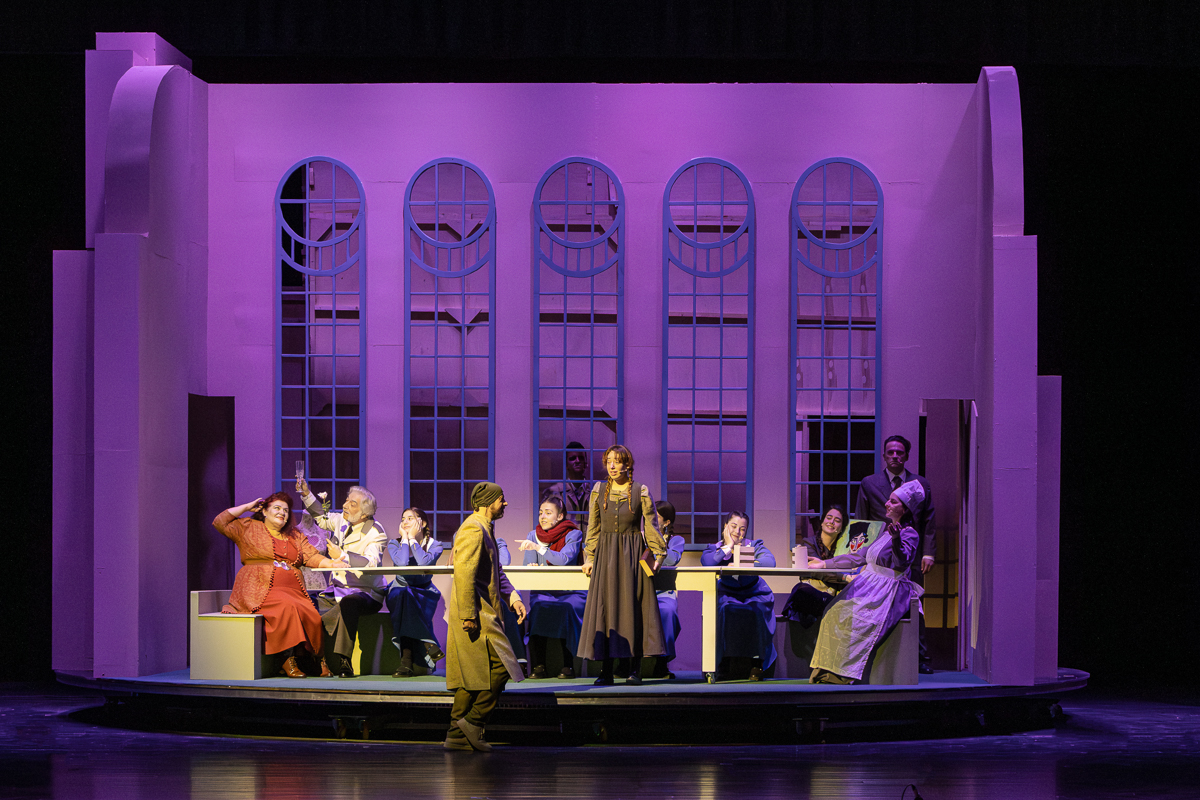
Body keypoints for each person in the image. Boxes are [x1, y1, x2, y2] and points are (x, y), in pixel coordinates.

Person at [212, 492, 350, 678]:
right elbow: (220, 522)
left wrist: (332, 564)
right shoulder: (249, 527)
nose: (282, 513)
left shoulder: (295, 535)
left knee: (312, 615)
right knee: (287, 608)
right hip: (259, 588)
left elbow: (312, 556)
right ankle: (286, 659)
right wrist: (246, 507)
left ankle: (312, 660)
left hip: (294, 590)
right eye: (277, 508)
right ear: (264, 511)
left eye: (285, 510)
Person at [809, 480, 926, 684]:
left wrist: (897, 539)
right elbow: (859, 556)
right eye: (888, 500)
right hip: (869, 584)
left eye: (893, 501)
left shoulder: (908, 533)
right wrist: (825, 564)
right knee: (833, 612)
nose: (887, 504)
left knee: (857, 621)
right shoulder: (885, 532)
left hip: (887, 589)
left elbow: (901, 563)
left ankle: (845, 675)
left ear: (905, 509)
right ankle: (827, 670)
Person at [445, 482, 528, 752]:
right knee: (503, 666)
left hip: (482, 611)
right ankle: (473, 722)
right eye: (501, 499)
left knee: (471, 676)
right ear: (487, 502)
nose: (505, 503)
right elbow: (464, 574)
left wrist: (513, 597)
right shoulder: (473, 528)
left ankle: (456, 735)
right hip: (475, 613)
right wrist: (468, 615)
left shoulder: (485, 528)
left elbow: (496, 571)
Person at [577, 445, 668, 686]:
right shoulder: (599, 490)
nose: (612, 466)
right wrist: (589, 557)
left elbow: (651, 527)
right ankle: (606, 670)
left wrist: (658, 556)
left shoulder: (640, 491)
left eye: (617, 461)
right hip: (606, 556)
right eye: (609, 461)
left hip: (632, 556)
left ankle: (634, 669)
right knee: (606, 610)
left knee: (633, 609)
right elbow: (593, 527)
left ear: (627, 464)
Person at [855, 435, 936, 672]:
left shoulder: (920, 483)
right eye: (890, 452)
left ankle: (920, 658)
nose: (895, 456)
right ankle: (874, 656)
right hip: (880, 553)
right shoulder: (870, 483)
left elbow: (929, 520)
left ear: (906, 455)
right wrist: (859, 556)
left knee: (913, 604)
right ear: (884, 455)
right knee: (874, 605)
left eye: (899, 452)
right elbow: (861, 520)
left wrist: (928, 553)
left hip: (909, 551)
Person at [298, 479, 388, 678]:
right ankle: (309, 659)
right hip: (337, 589)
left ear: (364, 514)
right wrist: (306, 494)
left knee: (349, 603)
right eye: (347, 500)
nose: (345, 505)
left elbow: (371, 564)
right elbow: (321, 517)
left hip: (366, 593)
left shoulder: (376, 532)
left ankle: (344, 661)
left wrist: (343, 556)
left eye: (352, 503)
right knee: (305, 602)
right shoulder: (342, 519)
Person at [700, 511, 777, 680]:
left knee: (757, 610)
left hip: (755, 592)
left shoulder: (753, 546)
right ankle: (722, 663)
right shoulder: (715, 547)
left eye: (742, 529)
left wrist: (745, 563)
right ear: (725, 526)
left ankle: (757, 663)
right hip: (727, 592)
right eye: (733, 526)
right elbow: (707, 562)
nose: (737, 532)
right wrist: (728, 547)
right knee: (724, 610)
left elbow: (770, 562)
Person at [519, 496, 586, 679]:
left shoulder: (573, 534)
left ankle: (568, 665)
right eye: (541, 513)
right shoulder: (533, 535)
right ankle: (539, 665)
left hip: (571, 592)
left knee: (566, 608)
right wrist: (532, 566)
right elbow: (528, 565)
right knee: (540, 608)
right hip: (544, 590)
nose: (543, 517)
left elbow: (563, 560)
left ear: (560, 516)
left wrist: (539, 549)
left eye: (548, 513)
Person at [386, 507, 445, 677]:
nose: (405, 522)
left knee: (408, 600)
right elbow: (402, 563)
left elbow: (424, 563)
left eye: (410, 518)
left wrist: (412, 539)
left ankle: (406, 664)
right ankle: (429, 644)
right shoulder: (394, 543)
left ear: (422, 523)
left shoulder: (435, 545)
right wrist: (405, 539)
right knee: (405, 596)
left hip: (424, 591)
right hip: (399, 589)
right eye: (403, 519)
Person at [781, 504, 849, 627]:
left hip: (835, 594)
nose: (832, 522)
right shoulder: (809, 543)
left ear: (841, 528)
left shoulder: (844, 548)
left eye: (837, 520)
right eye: (829, 518)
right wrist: (844, 577)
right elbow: (817, 572)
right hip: (815, 592)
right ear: (822, 522)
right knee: (801, 590)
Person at [651, 500, 686, 680]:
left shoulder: (676, 540)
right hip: (641, 589)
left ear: (666, 522)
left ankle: (661, 663)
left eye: (656, 517)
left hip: (664, 592)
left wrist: (656, 540)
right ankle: (626, 662)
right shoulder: (640, 536)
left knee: (668, 611)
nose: (651, 519)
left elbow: (671, 559)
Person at [541, 441, 592, 523]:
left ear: (586, 463)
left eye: (581, 458)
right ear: (566, 464)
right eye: (572, 458)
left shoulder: (595, 491)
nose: (577, 461)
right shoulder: (554, 492)